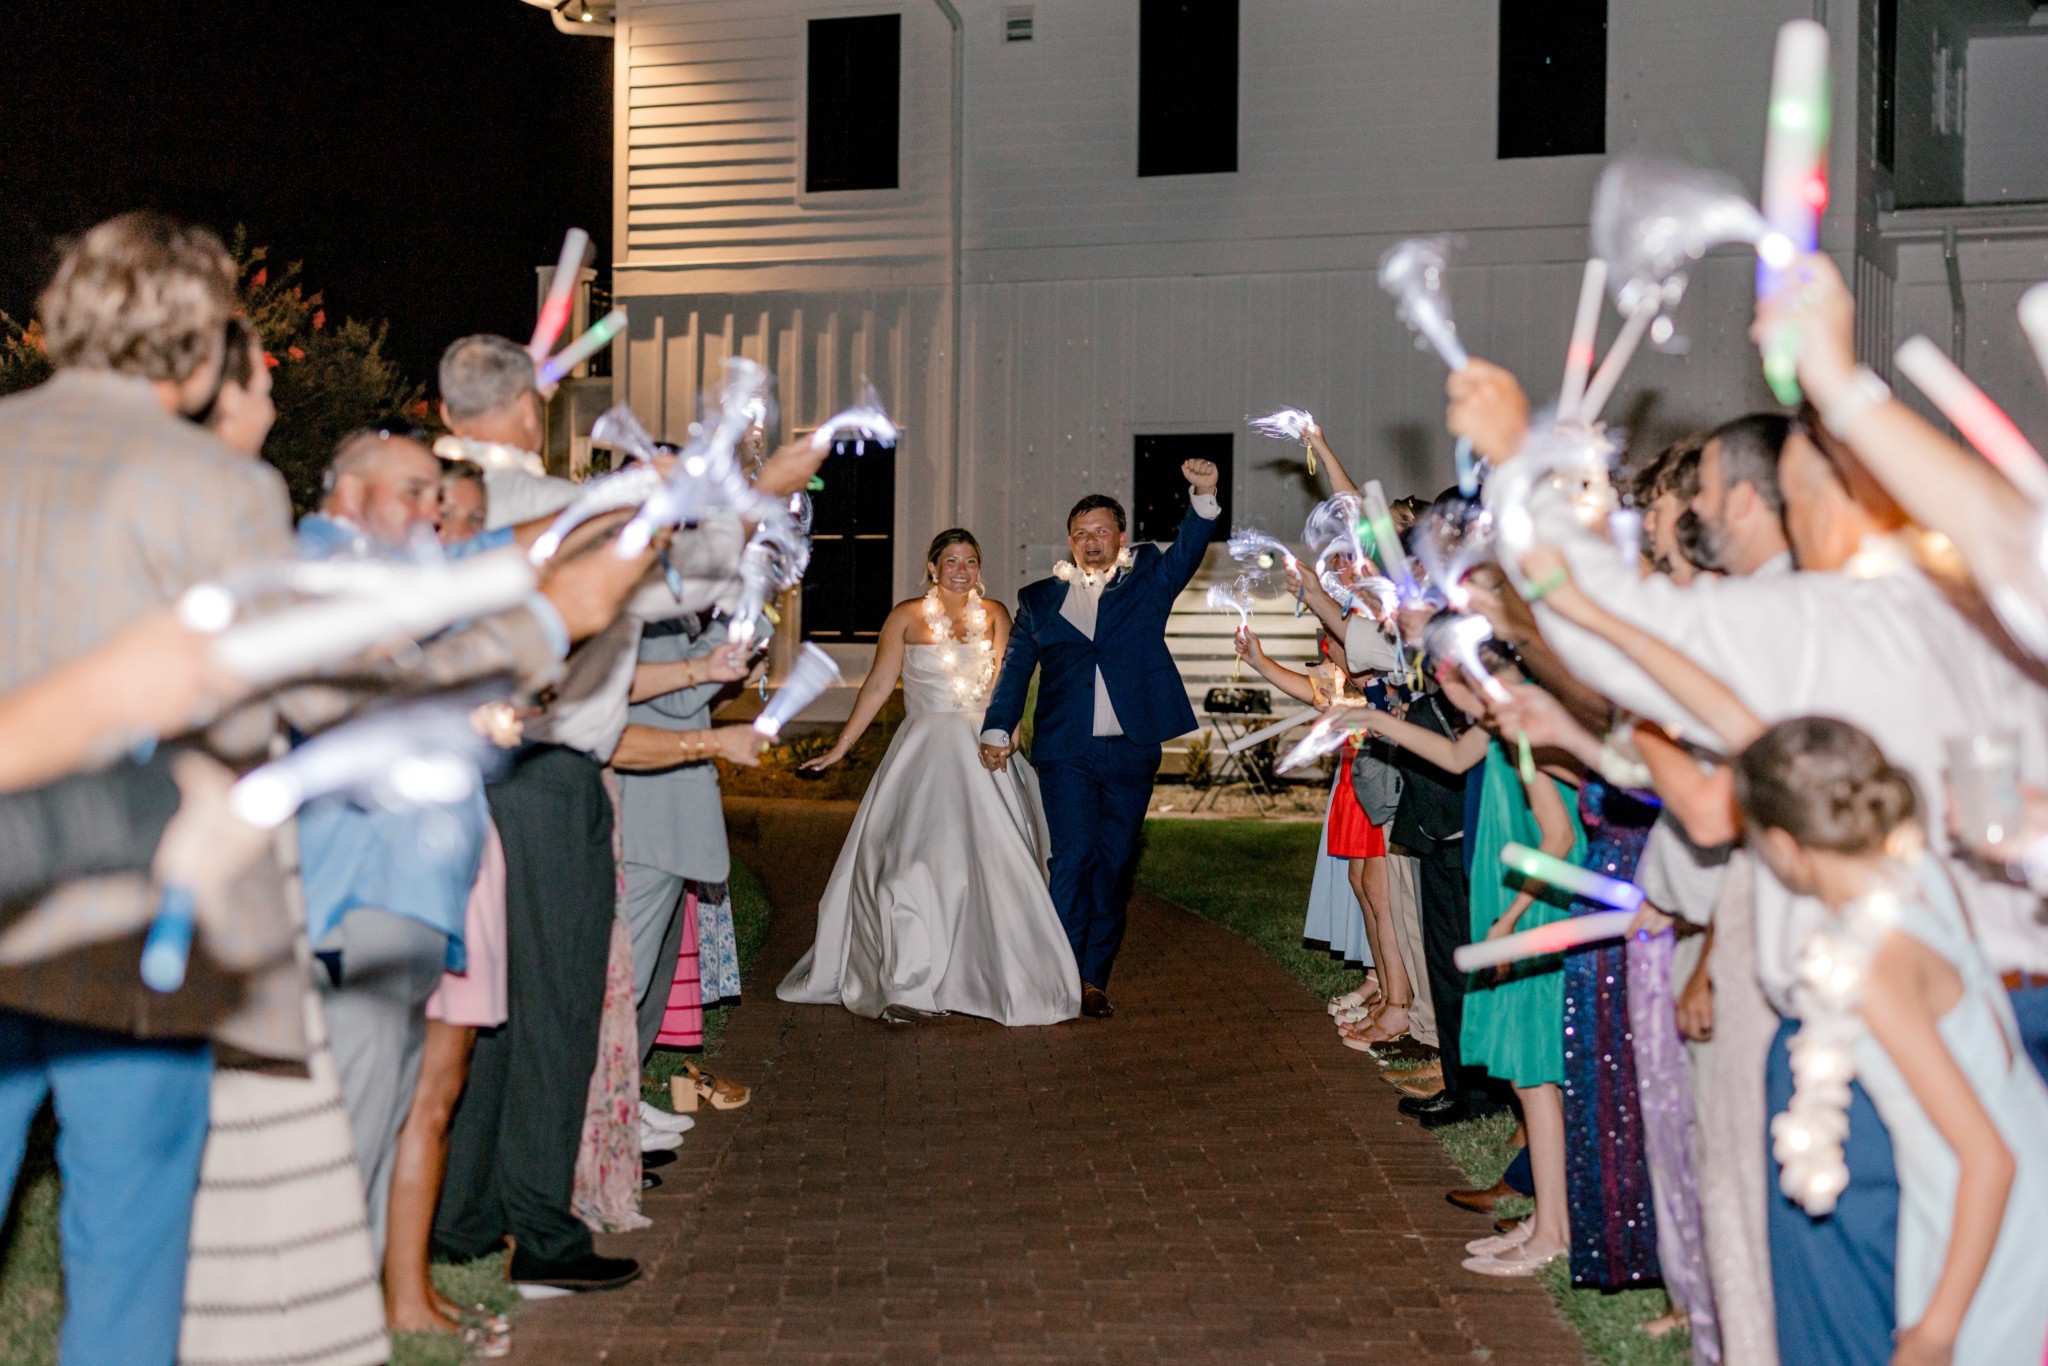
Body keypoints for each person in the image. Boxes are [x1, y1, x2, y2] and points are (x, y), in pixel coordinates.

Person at [1734, 717, 2048, 1366]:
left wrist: (1937, 1330)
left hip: (1988, 1214)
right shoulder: (1917, 871)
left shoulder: (1870, 966)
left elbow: (1988, 1158)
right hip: (2006, 1167)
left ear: (1784, 847)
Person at [781, 529, 1082, 1026]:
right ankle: (906, 984)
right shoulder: (905, 616)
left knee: (988, 869)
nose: (961, 570)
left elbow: (1011, 682)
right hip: (920, 758)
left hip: (983, 755)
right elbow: (879, 684)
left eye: (970, 560)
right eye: (951, 560)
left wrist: (1009, 735)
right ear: (932, 566)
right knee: (905, 868)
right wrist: (840, 746)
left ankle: (987, 977)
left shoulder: (996, 614)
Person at [977, 463, 1221, 1018]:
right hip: (1067, 754)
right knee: (1071, 860)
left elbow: (1188, 549)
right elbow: (1015, 670)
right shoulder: (1039, 600)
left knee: (1112, 866)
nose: (1091, 542)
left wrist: (1204, 493)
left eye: (1102, 531)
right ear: (1070, 540)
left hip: (1131, 749)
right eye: (1081, 533)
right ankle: (1060, 977)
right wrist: (997, 725)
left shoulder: (1148, 579)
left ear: (1120, 536)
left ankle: (1093, 978)